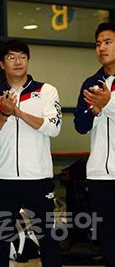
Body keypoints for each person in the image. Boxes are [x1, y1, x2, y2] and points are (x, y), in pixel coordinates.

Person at [0, 39, 62, 267]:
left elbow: (53, 127)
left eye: (22, 57)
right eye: (10, 57)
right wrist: (4, 114)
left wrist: (17, 111)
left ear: (28, 60)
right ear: (1, 63)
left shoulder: (45, 91)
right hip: (1, 179)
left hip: (38, 178)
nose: (17, 62)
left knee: (48, 239)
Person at [74, 22, 115, 267]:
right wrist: (96, 110)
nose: (101, 48)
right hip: (100, 173)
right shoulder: (91, 82)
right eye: (98, 44)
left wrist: (107, 105)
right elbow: (81, 124)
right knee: (108, 235)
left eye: (108, 42)